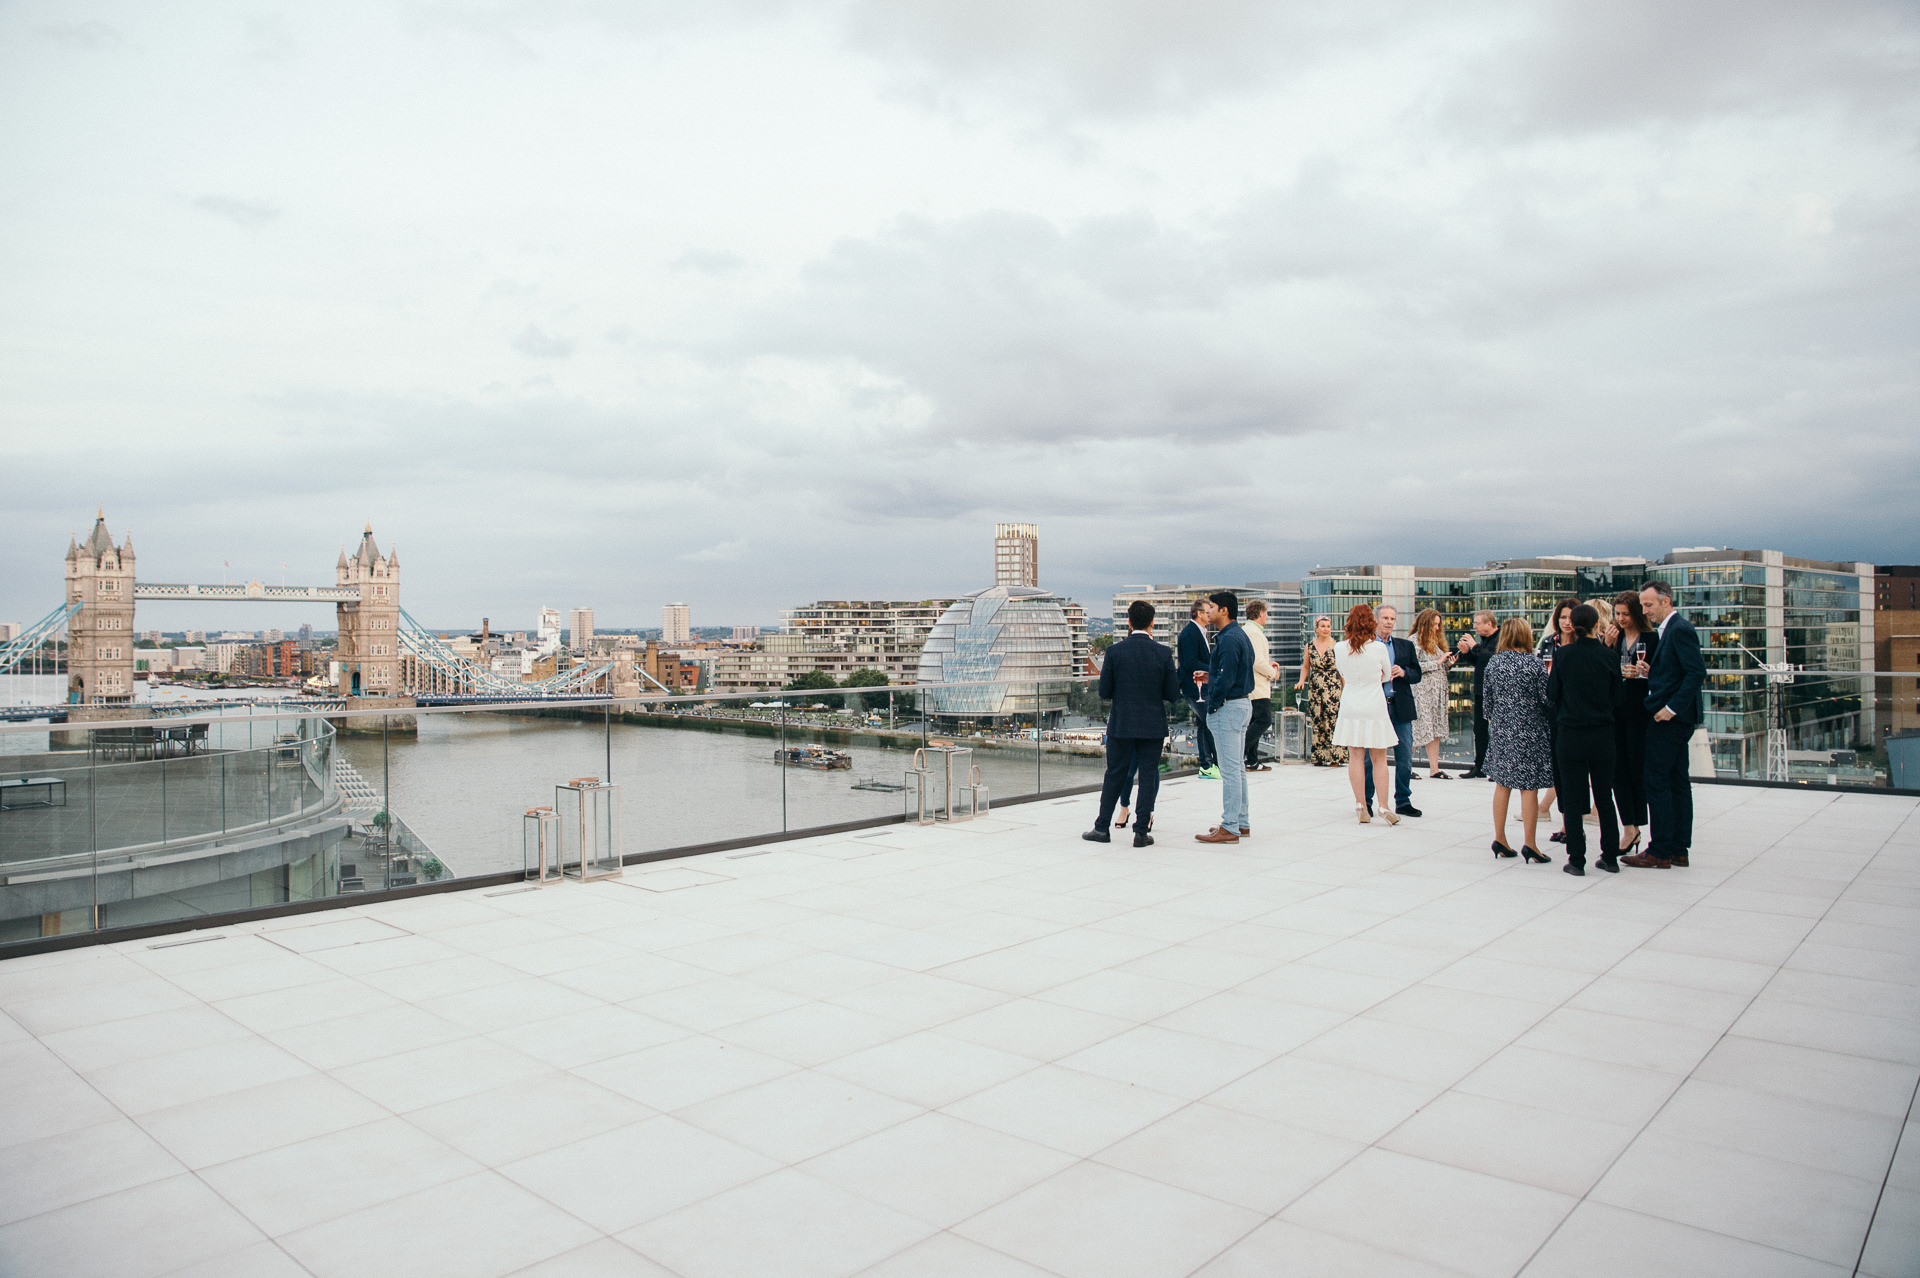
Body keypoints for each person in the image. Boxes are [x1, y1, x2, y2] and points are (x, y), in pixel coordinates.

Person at [1085, 600, 1181, 848]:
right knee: (1148, 775)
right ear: (1152, 623)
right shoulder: (1162, 653)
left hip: (1122, 723)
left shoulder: (1115, 652)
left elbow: (1104, 692)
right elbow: (1172, 694)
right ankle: (1140, 832)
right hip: (1152, 723)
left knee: (1115, 773)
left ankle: (1102, 827)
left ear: (1128, 622)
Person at [1625, 580, 1706, 869]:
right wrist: (1651, 671)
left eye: (1648, 605)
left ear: (1666, 602)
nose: (1645, 611)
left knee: (1656, 781)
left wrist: (1669, 709)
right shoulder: (1672, 630)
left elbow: (1696, 673)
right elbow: (1678, 671)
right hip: (1676, 719)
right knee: (1677, 782)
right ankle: (1678, 848)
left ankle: (1660, 850)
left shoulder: (1679, 629)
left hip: (1670, 720)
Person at [1547, 603, 1622, 875]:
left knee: (1574, 797)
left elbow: (1552, 693)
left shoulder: (1564, 655)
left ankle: (1576, 859)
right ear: (1597, 626)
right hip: (1602, 734)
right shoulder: (1609, 657)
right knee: (1604, 797)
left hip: (1571, 734)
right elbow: (1618, 698)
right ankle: (1610, 857)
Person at [1483, 618, 1553, 862]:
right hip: (1529, 730)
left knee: (1502, 784)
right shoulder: (1534, 665)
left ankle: (1500, 838)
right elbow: (1547, 700)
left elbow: (1487, 703)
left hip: (1501, 730)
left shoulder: (1494, 663)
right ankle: (1530, 844)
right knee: (1528, 786)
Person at [1331, 604, 1401, 827]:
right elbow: (1387, 675)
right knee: (1380, 759)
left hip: (1351, 703)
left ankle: (1360, 804)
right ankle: (1383, 806)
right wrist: (1376, 677)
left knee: (1356, 757)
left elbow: (1342, 673)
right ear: (1372, 622)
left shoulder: (1340, 648)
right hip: (1374, 704)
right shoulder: (1378, 648)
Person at [1194, 592, 1255, 843]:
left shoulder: (1229, 639)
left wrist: (1213, 705)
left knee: (1230, 770)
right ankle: (1241, 822)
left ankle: (1230, 826)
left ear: (1225, 611)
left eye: (1213, 607)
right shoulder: (1239, 635)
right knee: (1237, 769)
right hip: (1241, 704)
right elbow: (1234, 673)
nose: (1209, 611)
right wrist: (1211, 677)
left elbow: (1227, 678)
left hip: (1229, 708)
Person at [1608, 590, 1655, 858]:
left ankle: (1638, 823)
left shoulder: (1651, 638)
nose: (1621, 618)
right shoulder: (1614, 639)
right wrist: (1607, 646)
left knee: (1637, 768)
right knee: (1617, 770)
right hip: (1616, 710)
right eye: (1617, 614)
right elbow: (1603, 669)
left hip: (1640, 710)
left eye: (1626, 614)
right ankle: (1629, 827)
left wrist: (1645, 672)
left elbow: (1660, 673)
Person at [1364, 604, 1422, 819]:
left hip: (1401, 706)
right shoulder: (1367, 646)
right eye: (1385, 618)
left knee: (1405, 756)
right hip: (1375, 707)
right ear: (1376, 619)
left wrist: (1404, 672)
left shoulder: (1405, 646)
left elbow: (1418, 674)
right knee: (1370, 759)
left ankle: (1403, 801)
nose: (1389, 622)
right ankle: (1367, 801)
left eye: (1392, 618)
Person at [1538, 597, 1577, 842]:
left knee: (1574, 773)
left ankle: (1574, 825)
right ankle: (1566, 824)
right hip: (1552, 714)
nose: (1566, 622)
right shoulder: (1548, 643)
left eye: (1571, 617)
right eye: (1562, 617)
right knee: (1559, 772)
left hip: (1574, 714)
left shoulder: (1585, 644)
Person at [1409, 607, 1455, 780]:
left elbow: (1439, 665)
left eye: (1438, 625)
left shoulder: (1434, 643)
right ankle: (1407, 766)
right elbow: (1413, 667)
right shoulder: (1414, 641)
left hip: (1437, 694)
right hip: (1422, 693)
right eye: (1434, 625)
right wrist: (1437, 662)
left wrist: (1447, 664)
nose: (1437, 628)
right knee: (1418, 728)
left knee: (1434, 729)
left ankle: (1434, 768)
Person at [1297, 615, 1348, 767]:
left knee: (1332, 719)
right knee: (1317, 719)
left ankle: (1335, 756)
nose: (1326, 629)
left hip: (1333, 687)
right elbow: (1306, 666)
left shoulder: (1337, 646)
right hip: (1316, 686)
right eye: (1323, 626)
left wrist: (1346, 689)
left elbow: (1342, 669)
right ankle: (1319, 755)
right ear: (1316, 629)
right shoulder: (1309, 646)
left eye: (1328, 626)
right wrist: (1301, 681)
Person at [1176, 600, 1218, 778]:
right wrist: (1214, 668)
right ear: (1199, 613)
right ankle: (1209, 765)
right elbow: (1190, 663)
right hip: (1195, 687)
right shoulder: (1189, 634)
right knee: (1209, 723)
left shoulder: (1198, 632)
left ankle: (1207, 765)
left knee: (1204, 724)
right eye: (1208, 611)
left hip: (1200, 685)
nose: (1211, 614)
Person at [1454, 611, 1498, 777]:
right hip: (1481, 691)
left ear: (1489, 624)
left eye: (1478, 623)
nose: (1474, 626)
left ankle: (1495, 768)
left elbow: (1492, 658)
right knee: (1479, 729)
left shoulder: (1500, 638)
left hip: (1496, 692)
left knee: (1495, 730)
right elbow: (1480, 661)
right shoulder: (1484, 641)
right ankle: (1479, 766)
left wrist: (1474, 646)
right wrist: (1467, 653)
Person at [1242, 599, 1280, 772]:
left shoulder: (1248, 630)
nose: (1267, 617)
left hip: (1253, 685)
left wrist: (1268, 663)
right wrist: (1273, 673)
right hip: (1257, 686)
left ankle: (1252, 760)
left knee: (1254, 722)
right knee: (1264, 720)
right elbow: (1256, 661)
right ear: (1260, 614)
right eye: (1266, 613)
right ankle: (1239, 752)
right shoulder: (1254, 633)